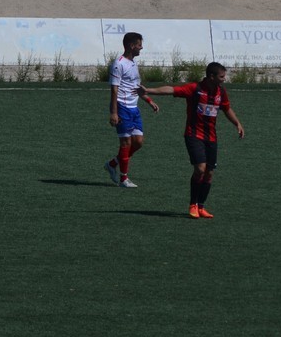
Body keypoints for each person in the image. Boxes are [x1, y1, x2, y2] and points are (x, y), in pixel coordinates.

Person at [144, 62, 245, 219]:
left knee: (209, 173)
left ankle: (201, 206)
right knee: (200, 169)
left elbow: (226, 108)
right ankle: (193, 204)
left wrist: (237, 123)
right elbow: (172, 89)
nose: (224, 79)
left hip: (211, 137)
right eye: (221, 76)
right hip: (194, 135)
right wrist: (149, 90)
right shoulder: (194, 89)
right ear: (211, 76)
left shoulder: (221, 91)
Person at [105, 32, 159, 188]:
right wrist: (114, 112)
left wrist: (149, 101)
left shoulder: (133, 64)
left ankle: (112, 164)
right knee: (126, 143)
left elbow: (136, 88)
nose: (141, 48)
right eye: (139, 45)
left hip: (134, 108)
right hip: (122, 107)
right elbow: (114, 90)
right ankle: (124, 179)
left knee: (138, 142)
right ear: (131, 46)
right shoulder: (118, 64)